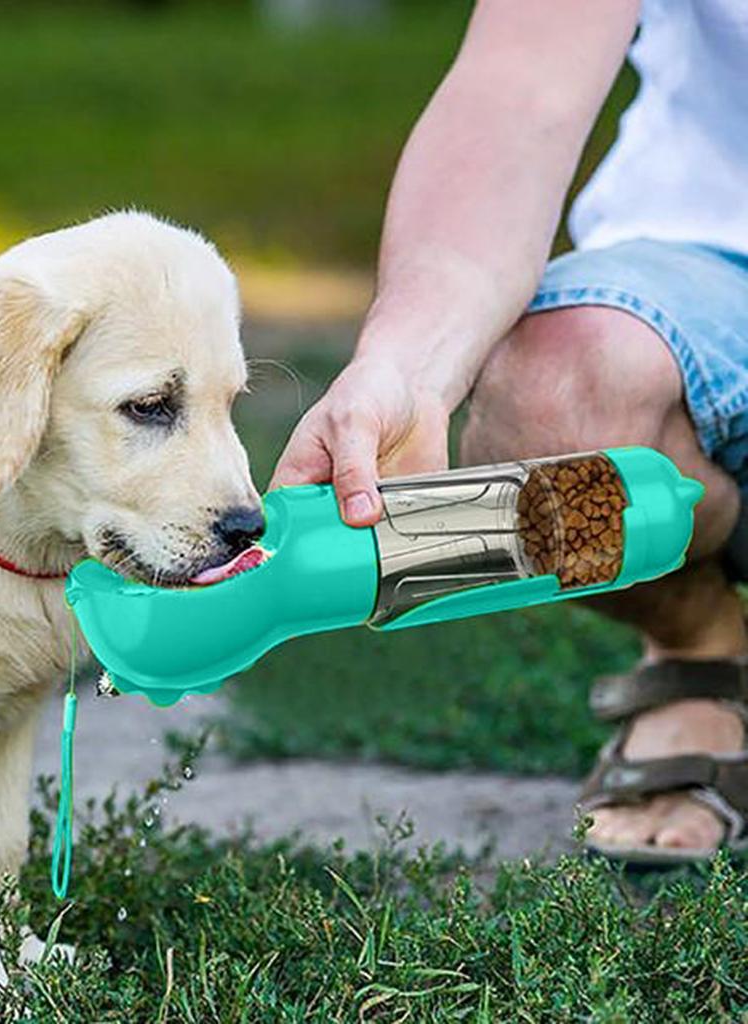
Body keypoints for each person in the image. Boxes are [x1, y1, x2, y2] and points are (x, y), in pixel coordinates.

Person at [271, 0, 748, 863]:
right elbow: (519, 89)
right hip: (713, 251)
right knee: (559, 400)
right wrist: (410, 368)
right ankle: (702, 648)